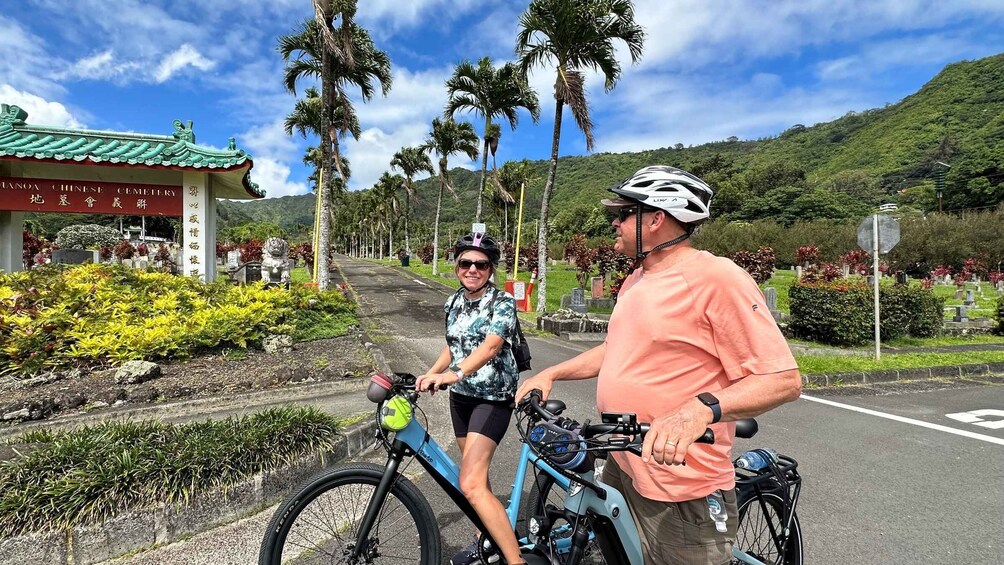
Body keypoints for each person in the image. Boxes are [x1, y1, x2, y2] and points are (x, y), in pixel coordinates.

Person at [515, 165, 802, 565]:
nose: (614, 222)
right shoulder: (636, 279)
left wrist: (699, 409)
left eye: (623, 213)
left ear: (656, 219)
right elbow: (617, 351)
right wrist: (551, 372)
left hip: (681, 487)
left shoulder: (717, 278)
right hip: (625, 464)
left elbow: (782, 380)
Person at [416, 233, 527, 565]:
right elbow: (453, 346)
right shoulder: (453, 302)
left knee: (470, 483)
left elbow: (491, 346)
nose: (473, 269)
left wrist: (453, 374)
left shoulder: (501, 302)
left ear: (490, 269)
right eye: (466, 263)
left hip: (492, 398)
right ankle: (485, 540)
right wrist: (430, 373)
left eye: (481, 264)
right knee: (476, 476)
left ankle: (515, 561)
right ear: (457, 266)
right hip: (462, 398)